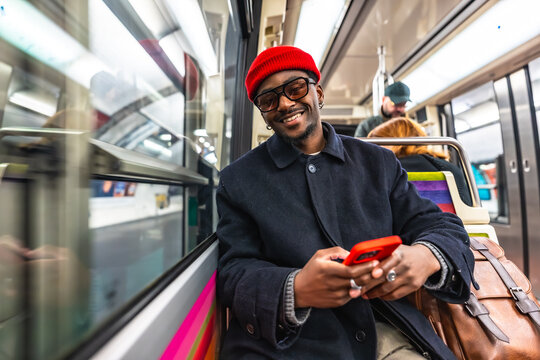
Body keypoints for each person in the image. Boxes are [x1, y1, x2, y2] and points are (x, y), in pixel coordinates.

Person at [217, 46, 475, 360]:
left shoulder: (377, 162)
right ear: (264, 114)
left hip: (383, 327)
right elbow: (234, 270)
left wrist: (424, 256)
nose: (285, 103)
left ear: (318, 93)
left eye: (296, 88)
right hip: (291, 343)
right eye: (269, 99)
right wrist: (295, 288)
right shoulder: (239, 180)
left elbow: (440, 225)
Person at [368, 117, 473, 206]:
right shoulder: (450, 169)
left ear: (394, 142)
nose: (373, 149)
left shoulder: (388, 171)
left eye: (378, 142)